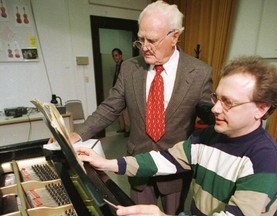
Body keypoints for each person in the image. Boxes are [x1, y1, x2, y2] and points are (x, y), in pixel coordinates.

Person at [76, 56, 277, 216]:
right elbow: (162, 160)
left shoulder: (266, 160)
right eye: (217, 98)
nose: (214, 109)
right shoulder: (205, 137)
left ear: (261, 109)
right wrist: (105, 164)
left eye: (228, 102)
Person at [66, 1, 214, 214]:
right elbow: (109, 107)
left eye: (152, 40)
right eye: (141, 39)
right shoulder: (130, 68)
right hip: (136, 163)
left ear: (175, 36)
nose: (144, 46)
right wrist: (78, 134)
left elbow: (209, 113)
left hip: (176, 169)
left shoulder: (199, 72)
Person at [111, 48, 130, 136]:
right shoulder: (117, 65)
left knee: (125, 112)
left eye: (116, 55)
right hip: (118, 92)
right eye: (113, 56)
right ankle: (122, 128)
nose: (115, 57)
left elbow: (126, 80)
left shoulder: (124, 65)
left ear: (120, 55)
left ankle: (128, 130)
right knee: (120, 111)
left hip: (124, 92)